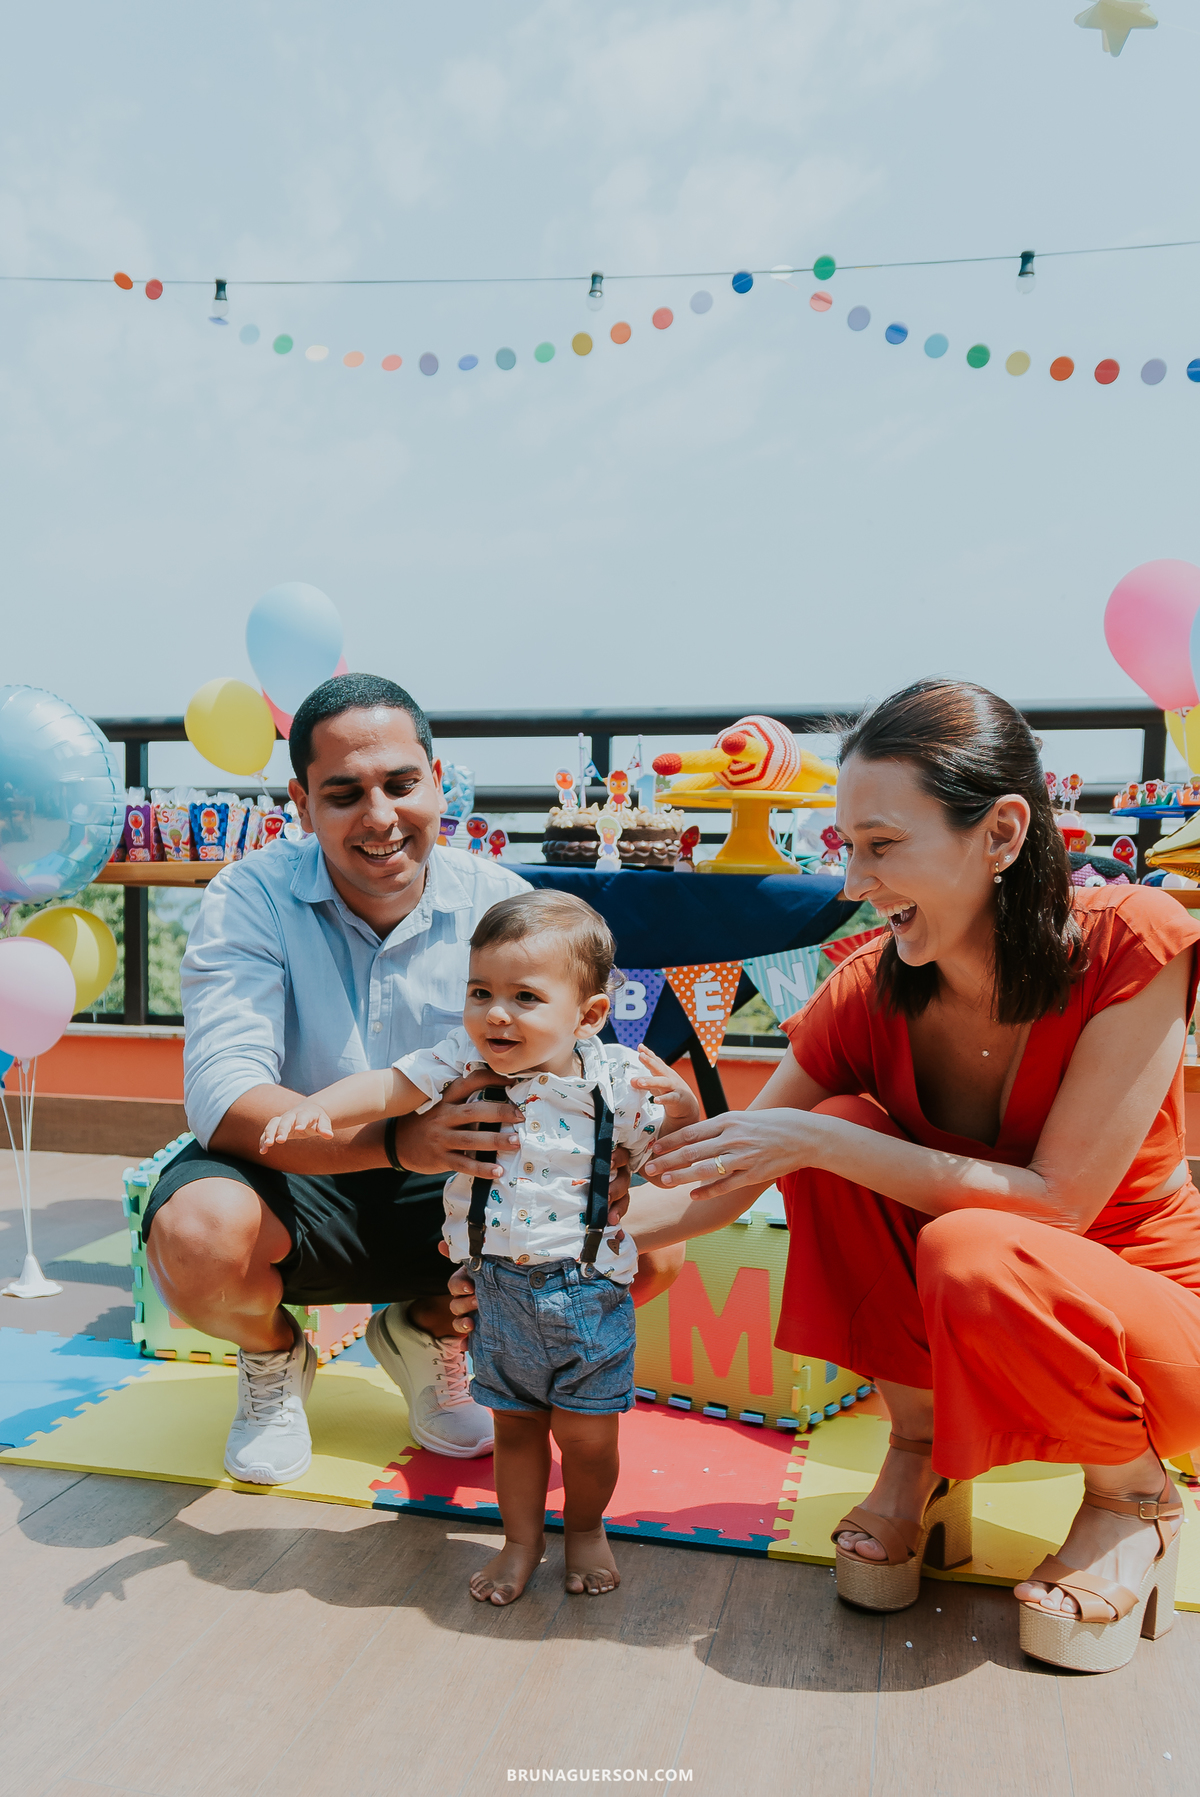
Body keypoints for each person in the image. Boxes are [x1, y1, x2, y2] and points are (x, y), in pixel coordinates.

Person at [643, 678, 1200, 1674]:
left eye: (883, 845)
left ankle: (1134, 1494)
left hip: (1153, 1333)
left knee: (936, 1213)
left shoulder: (1133, 939)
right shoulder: (863, 988)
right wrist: (584, 1225)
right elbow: (735, 1167)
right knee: (839, 1122)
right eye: (844, 847)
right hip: (977, 1314)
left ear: (1001, 833)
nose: (854, 881)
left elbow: (1056, 1206)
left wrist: (815, 1143)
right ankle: (921, 1445)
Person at [143, 673, 683, 1487]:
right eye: (345, 792)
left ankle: (433, 1331)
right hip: (295, 1177)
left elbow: (573, 1074)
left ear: (436, 777)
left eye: (401, 783)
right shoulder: (250, 896)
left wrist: (640, 1136)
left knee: (645, 1251)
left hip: (465, 1184)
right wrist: (397, 1141)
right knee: (198, 1234)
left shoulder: (502, 899)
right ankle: (274, 1356)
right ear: (301, 801)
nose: (381, 817)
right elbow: (225, 1098)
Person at [261, 889, 700, 1603]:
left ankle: (585, 1528)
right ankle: (520, 1540)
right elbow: (385, 1087)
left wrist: (684, 1104)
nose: (496, 1012)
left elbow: (678, 1152)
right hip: (495, 1288)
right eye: (480, 991)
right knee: (518, 1430)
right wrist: (314, 1107)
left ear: (588, 1015)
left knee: (587, 1438)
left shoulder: (618, 1079)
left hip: (587, 1290)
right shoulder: (461, 1057)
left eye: (525, 996)